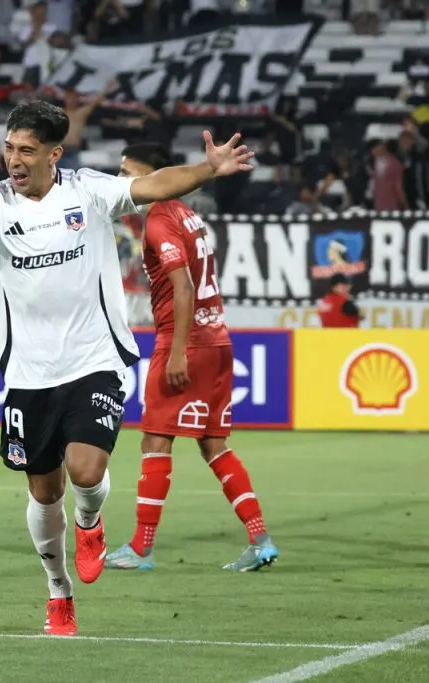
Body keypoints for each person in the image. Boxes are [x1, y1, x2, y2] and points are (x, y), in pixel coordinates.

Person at [0, 100, 253, 635]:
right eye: (10, 148)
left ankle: (90, 522)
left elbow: (154, 187)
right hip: (28, 374)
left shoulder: (88, 191)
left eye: (26, 151)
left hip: (95, 361)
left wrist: (207, 170)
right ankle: (58, 593)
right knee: (43, 491)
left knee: (86, 470)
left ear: (54, 153)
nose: (13, 160)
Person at [104, 142, 278, 573]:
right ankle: (261, 539)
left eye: (129, 172)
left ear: (153, 174)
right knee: (214, 444)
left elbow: (182, 287)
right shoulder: (187, 214)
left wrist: (178, 351)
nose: (123, 181)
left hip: (187, 343)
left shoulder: (160, 219)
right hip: (217, 340)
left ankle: (141, 548)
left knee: (154, 440)